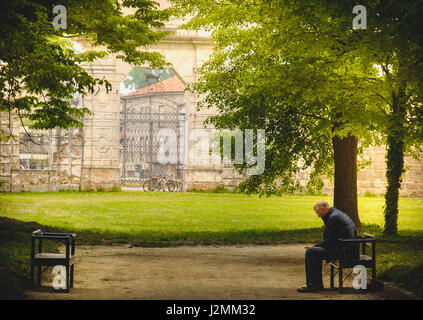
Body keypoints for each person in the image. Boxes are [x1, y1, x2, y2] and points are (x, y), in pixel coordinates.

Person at [297, 200, 357, 293]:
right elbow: (331, 240)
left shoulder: (333, 218)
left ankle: (313, 285)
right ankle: (314, 284)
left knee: (311, 252)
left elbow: (329, 241)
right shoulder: (335, 214)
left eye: (318, 213)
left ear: (324, 209)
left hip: (344, 251)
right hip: (347, 247)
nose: (318, 216)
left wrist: (314, 247)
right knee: (313, 251)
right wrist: (315, 247)